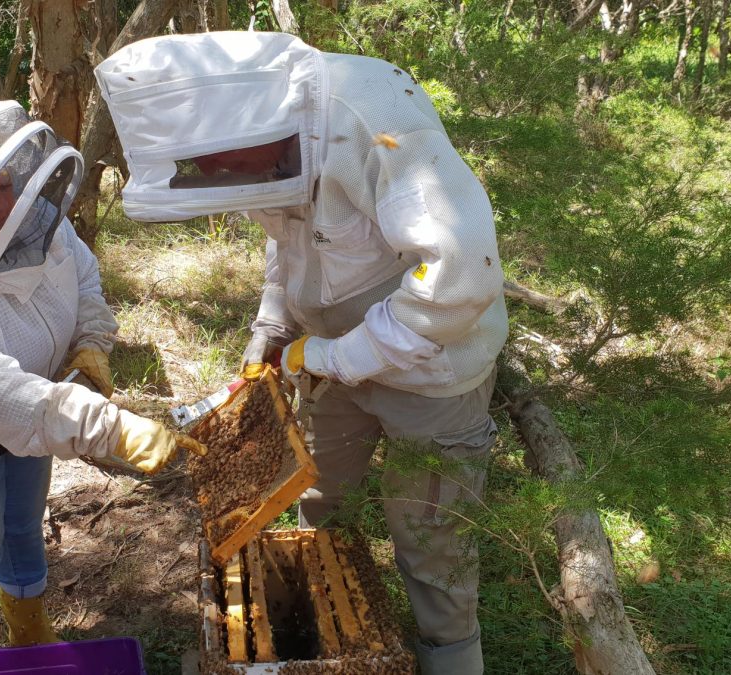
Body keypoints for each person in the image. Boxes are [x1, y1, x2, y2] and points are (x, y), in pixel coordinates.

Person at [95, 32, 509, 674]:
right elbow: (287, 245)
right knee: (316, 501)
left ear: (256, 119)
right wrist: (271, 335)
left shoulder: (375, 121)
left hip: (434, 370)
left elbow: (460, 277)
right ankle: (317, 611)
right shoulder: (253, 142)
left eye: (218, 162)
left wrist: (333, 358)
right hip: (328, 362)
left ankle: (449, 655)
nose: (216, 176)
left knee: (433, 548)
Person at [0, 75, 204, 654]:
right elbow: (0, 394)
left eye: (5, 182)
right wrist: (113, 428)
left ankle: (29, 634)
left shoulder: (39, 224)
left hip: (37, 422)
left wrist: (91, 342)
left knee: (23, 529)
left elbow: (84, 280)